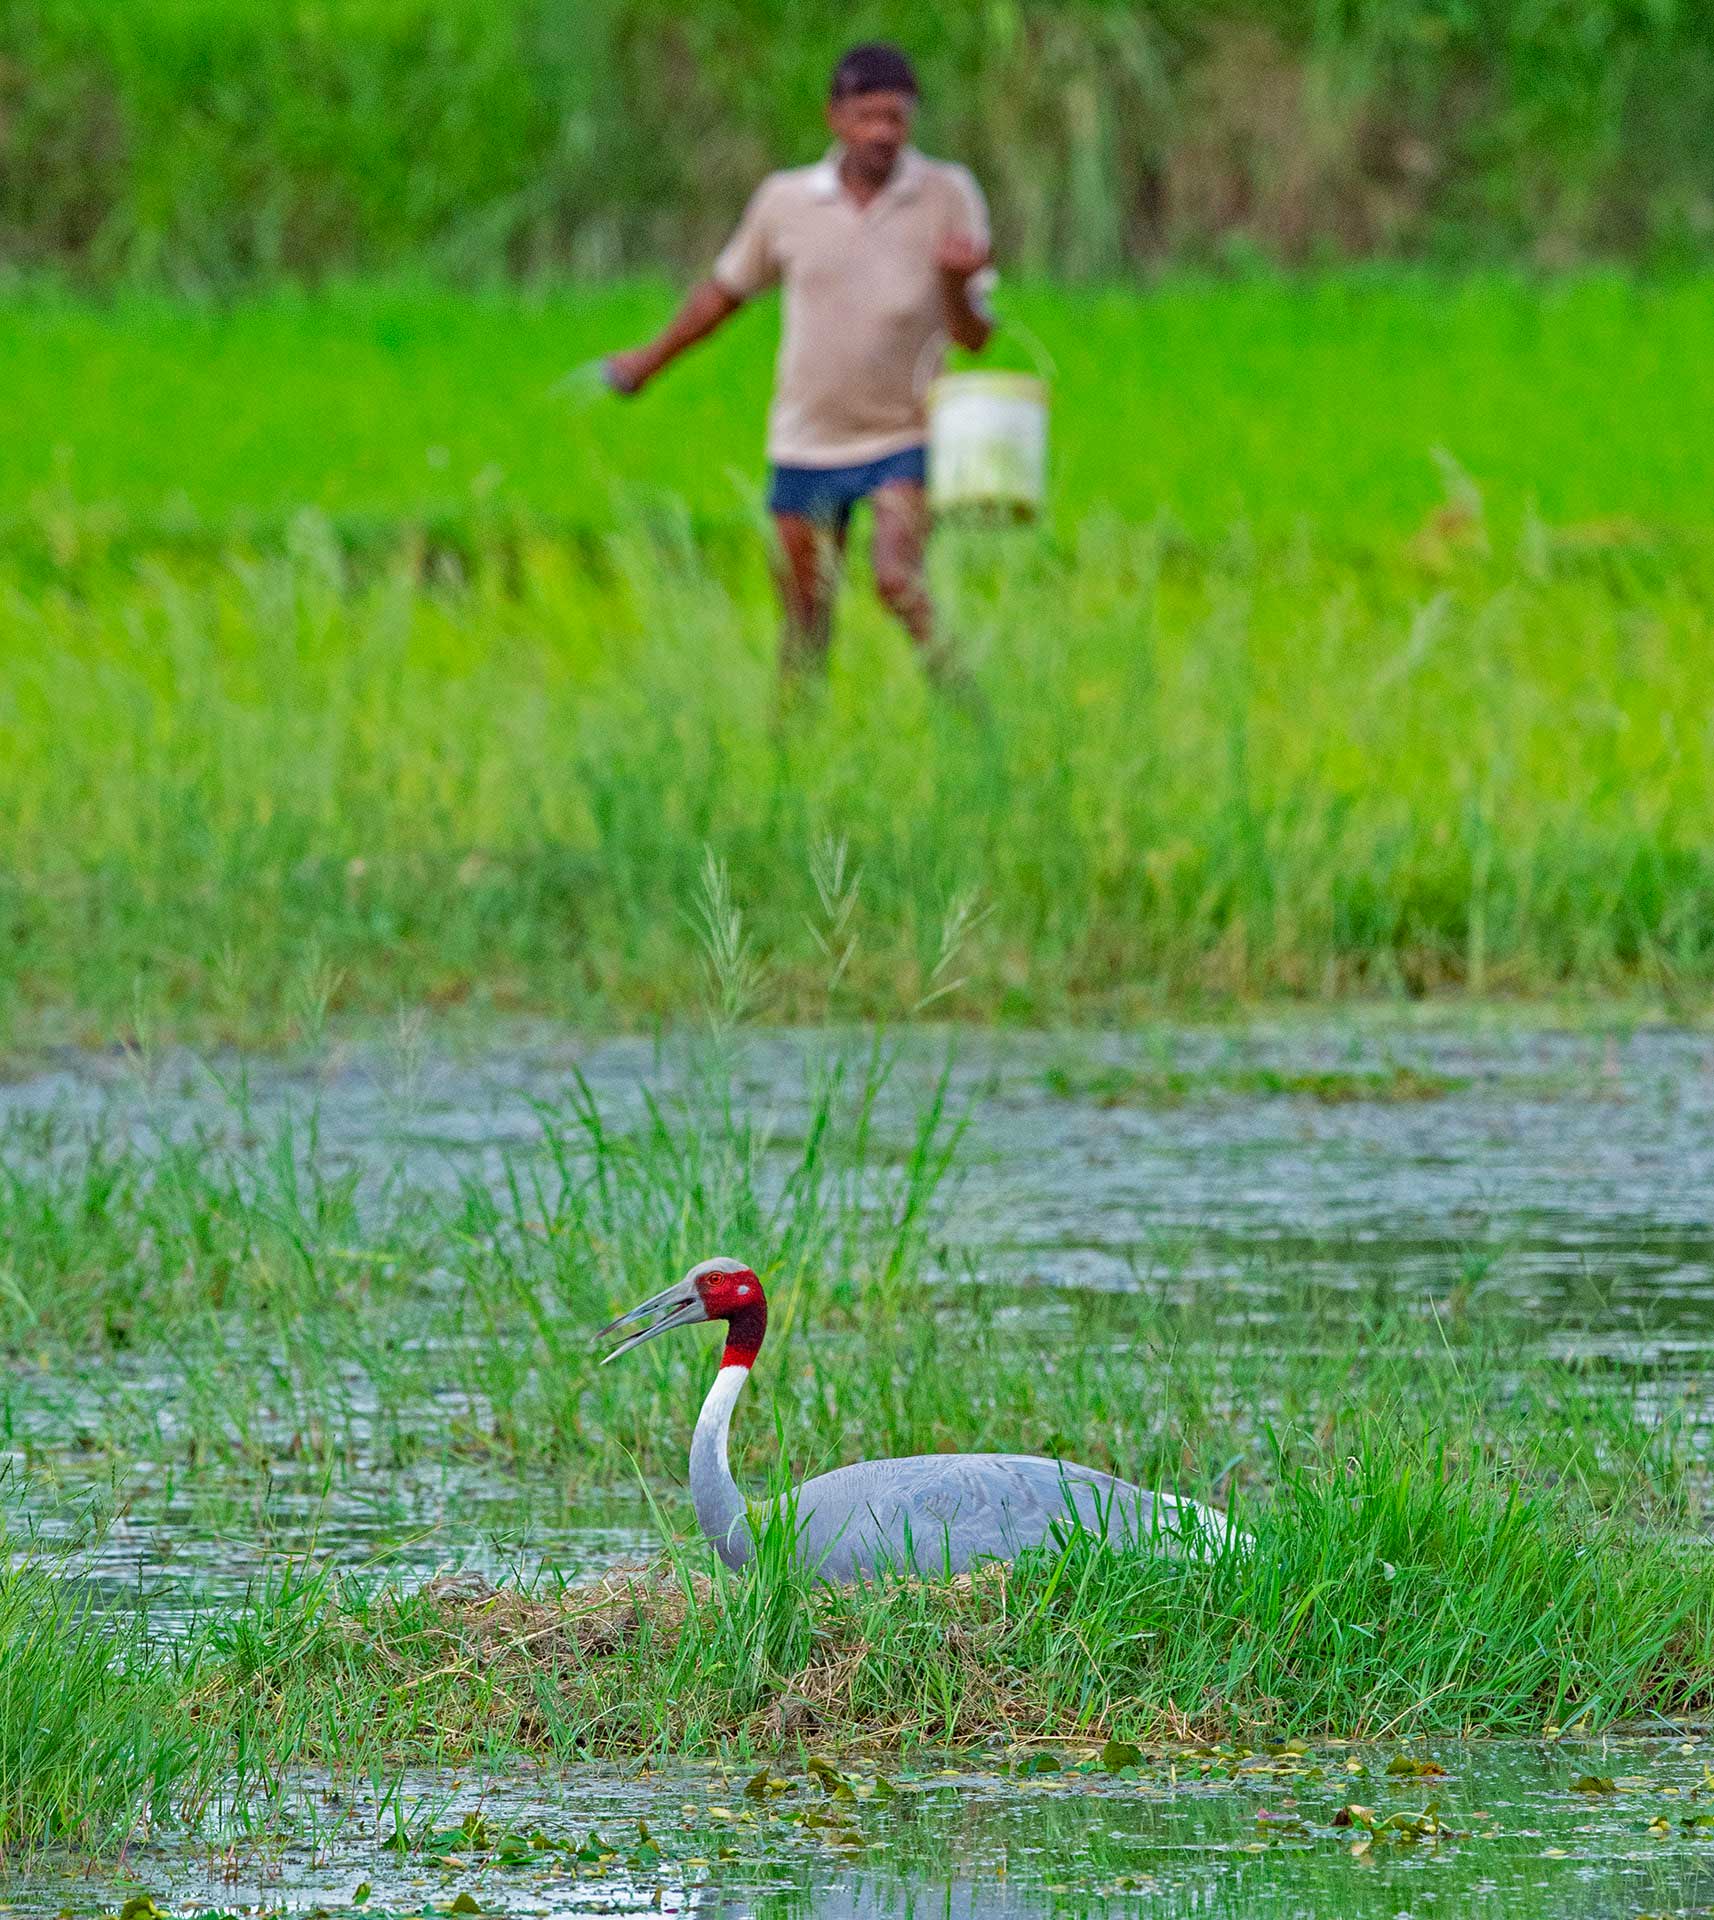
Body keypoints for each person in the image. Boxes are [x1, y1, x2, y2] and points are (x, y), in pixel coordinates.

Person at [605, 43, 995, 683]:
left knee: (896, 579)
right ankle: (790, 768)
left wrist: (955, 283)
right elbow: (724, 293)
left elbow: (974, 337)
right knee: (805, 623)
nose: (883, 134)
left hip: (907, 433)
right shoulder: (786, 201)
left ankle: (975, 720)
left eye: (896, 119)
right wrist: (647, 362)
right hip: (807, 440)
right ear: (834, 119)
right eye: (868, 118)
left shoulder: (947, 194)